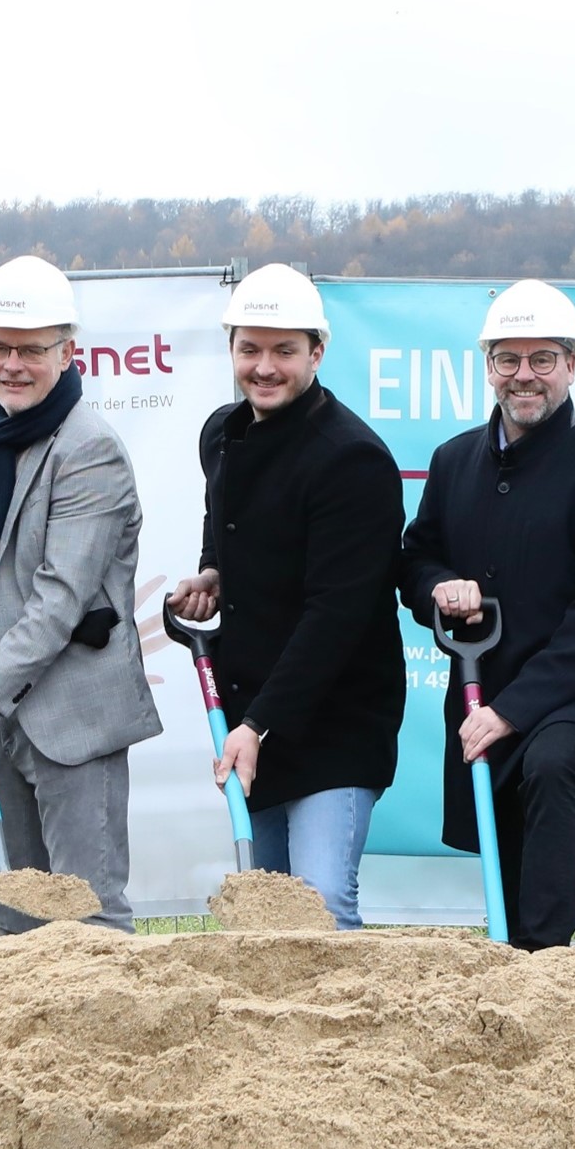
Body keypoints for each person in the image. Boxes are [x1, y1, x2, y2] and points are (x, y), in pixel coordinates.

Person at [0, 256, 162, 929]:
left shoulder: (89, 450)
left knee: (86, 912)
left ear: (68, 353)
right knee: (12, 906)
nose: (11, 364)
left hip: (69, 714)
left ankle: (105, 1036)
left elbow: (59, 599)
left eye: (31, 350)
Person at [397, 279, 575, 949]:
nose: (524, 375)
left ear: (573, 365)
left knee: (548, 767)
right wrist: (437, 588)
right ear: (487, 367)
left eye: (543, 358)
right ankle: (512, 963)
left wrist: (512, 711)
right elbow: (415, 558)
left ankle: (549, 969)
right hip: (484, 676)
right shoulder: (454, 462)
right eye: (508, 359)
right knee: (502, 827)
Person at [166, 264, 405, 928]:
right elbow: (228, 519)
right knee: (265, 918)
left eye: (283, 351)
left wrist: (256, 725)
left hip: (334, 719)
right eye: (250, 349)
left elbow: (338, 614)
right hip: (255, 709)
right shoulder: (222, 433)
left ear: (317, 352)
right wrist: (213, 570)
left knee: (321, 907)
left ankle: (351, 1034)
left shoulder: (353, 460)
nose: (264, 367)